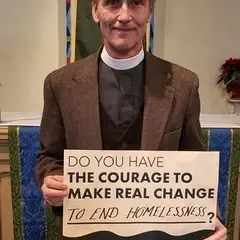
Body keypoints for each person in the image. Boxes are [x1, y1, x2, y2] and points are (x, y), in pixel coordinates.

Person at [35, 0, 227, 239]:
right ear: (95, 11)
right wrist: (50, 180)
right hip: (88, 231)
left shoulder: (184, 84)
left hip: (159, 234)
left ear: (149, 12)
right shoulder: (59, 83)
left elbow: (195, 162)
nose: (124, 15)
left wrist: (211, 218)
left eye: (136, 3)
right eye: (112, 3)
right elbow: (50, 157)